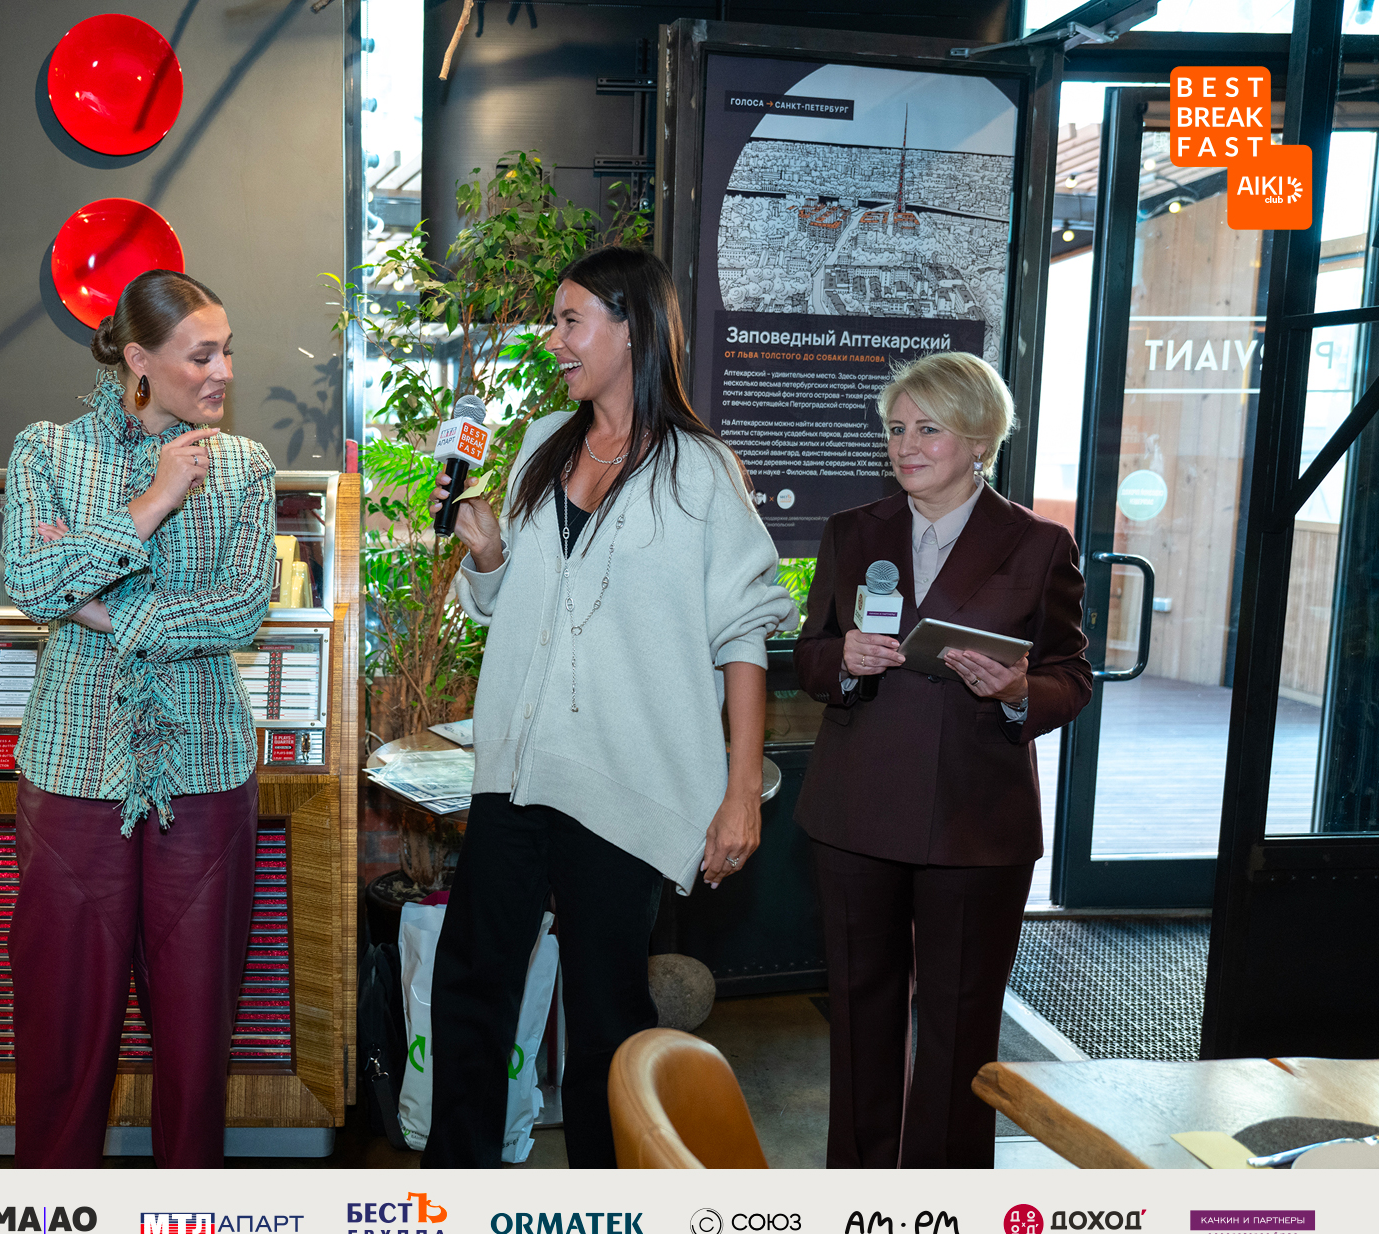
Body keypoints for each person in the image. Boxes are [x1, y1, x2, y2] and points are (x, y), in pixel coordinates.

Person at [423, 245, 795, 1168]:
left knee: (605, 1021)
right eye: (555, 321)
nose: (553, 340)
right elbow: (504, 604)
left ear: (632, 328)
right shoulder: (544, 443)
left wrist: (739, 793)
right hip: (516, 776)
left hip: (624, 781)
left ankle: (607, 1213)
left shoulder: (702, 471)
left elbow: (744, 633)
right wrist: (486, 555)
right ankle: (453, 1201)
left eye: (570, 320)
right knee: (471, 991)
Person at [1, 269, 275, 1168]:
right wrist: (154, 499)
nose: (223, 371)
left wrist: (100, 606)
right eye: (202, 355)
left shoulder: (245, 467)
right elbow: (30, 582)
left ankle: (184, 1218)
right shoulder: (47, 451)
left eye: (226, 351)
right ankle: (52, 1220)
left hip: (204, 765)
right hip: (75, 763)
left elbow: (242, 609)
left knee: (197, 1027)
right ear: (139, 360)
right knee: (62, 1019)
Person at [792, 350, 1092, 1168]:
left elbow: (1071, 676)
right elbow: (811, 653)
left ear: (980, 438)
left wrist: (1018, 689)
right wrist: (842, 659)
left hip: (975, 819)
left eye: (928, 429)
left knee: (961, 1028)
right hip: (856, 811)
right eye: (896, 429)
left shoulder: (1038, 544)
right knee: (859, 1018)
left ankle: (946, 1209)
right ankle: (858, 1200)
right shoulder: (853, 531)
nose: (906, 446)